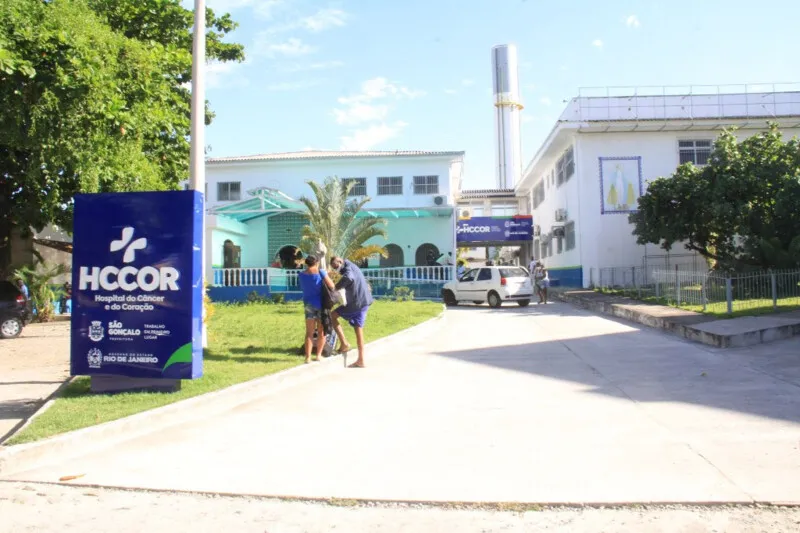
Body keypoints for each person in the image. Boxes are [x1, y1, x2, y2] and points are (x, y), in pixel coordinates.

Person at [330, 255, 373, 368]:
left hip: (356, 304)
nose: (336, 269)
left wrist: (335, 288)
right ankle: (356, 354)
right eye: (334, 268)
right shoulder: (352, 266)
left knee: (332, 316)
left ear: (340, 261)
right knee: (358, 330)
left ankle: (348, 348)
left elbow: (349, 278)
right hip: (363, 301)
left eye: (336, 266)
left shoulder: (348, 268)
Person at [298, 255, 336, 364]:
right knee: (321, 331)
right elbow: (332, 286)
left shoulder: (301, 275)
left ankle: (308, 357)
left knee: (309, 333)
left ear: (307, 263)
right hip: (321, 305)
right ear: (317, 262)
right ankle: (318, 355)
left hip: (308, 305)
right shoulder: (321, 272)